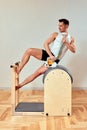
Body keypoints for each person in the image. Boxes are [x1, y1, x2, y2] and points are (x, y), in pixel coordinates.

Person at [16, 18, 76, 90]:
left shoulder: (71, 38)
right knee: (29, 50)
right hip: (49, 54)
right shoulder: (55, 34)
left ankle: (20, 85)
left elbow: (73, 50)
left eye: (61, 26)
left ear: (66, 26)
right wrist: (50, 55)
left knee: (37, 73)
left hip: (54, 60)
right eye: (58, 25)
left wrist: (66, 43)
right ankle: (19, 69)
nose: (59, 27)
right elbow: (45, 44)